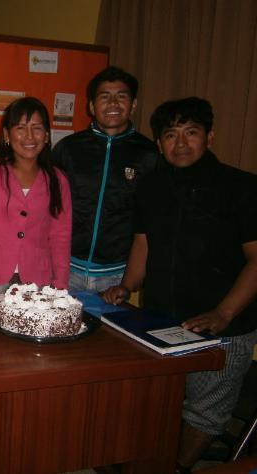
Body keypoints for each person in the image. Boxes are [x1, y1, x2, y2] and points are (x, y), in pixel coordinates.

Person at [103, 97, 257, 473]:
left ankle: (177, 467)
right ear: (159, 143)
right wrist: (127, 285)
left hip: (223, 326)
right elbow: (143, 242)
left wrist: (224, 313)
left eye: (191, 132)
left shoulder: (241, 187)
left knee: (205, 411)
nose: (181, 143)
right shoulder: (151, 187)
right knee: (157, 400)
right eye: (171, 135)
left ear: (209, 136)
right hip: (161, 319)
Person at [52, 66, 158, 293]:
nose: (113, 103)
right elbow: (49, 205)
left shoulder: (149, 155)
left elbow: (152, 220)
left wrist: (130, 280)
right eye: (104, 97)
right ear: (91, 106)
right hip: (64, 268)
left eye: (121, 96)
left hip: (118, 275)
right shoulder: (68, 149)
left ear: (133, 105)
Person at [0, 97, 72, 301]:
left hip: (38, 283)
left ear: (47, 136)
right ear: (7, 134)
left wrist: (60, 288)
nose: (29, 136)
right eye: (20, 128)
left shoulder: (58, 180)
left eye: (37, 128)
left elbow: (60, 237)